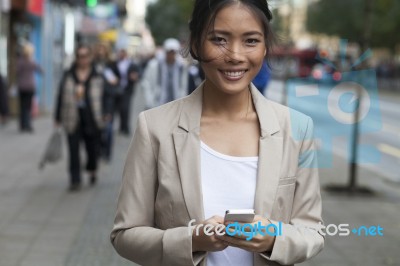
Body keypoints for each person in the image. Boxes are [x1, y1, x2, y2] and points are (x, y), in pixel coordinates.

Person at [110, 0, 324, 265]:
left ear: (265, 47)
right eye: (219, 39)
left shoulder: (296, 128)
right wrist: (191, 240)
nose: (235, 55)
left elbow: (312, 232)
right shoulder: (154, 127)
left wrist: (273, 238)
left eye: (251, 41)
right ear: (197, 44)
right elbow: (125, 234)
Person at [55, 44, 108, 191]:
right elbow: (60, 96)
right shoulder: (69, 74)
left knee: (92, 148)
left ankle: (92, 169)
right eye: (79, 56)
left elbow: (106, 95)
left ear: (90, 58)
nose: (82, 59)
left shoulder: (97, 74)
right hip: (72, 116)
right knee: (73, 149)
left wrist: (106, 112)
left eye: (85, 56)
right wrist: (57, 117)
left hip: (92, 116)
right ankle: (75, 179)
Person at [141, 38, 188, 109]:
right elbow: (146, 83)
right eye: (169, 52)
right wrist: (149, 101)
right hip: (157, 103)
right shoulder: (154, 65)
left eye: (173, 52)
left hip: (175, 104)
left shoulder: (181, 66)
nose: (171, 54)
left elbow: (183, 85)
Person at [15, 43, 43, 132]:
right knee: (28, 106)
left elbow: (17, 72)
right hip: (30, 87)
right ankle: (27, 125)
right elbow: (40, 70)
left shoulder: (20, 61)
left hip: (22, 86)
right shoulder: (31, 61)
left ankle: (23, 125)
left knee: (22, 106)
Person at [115, 48, 140, 135]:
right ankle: (122, 126)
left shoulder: (131, 64)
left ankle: (126, 127)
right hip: (118, 89)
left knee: (126, 108)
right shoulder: (116, 63)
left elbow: (137, 73)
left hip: (127, 89)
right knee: (120, 109)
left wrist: (135, 76)